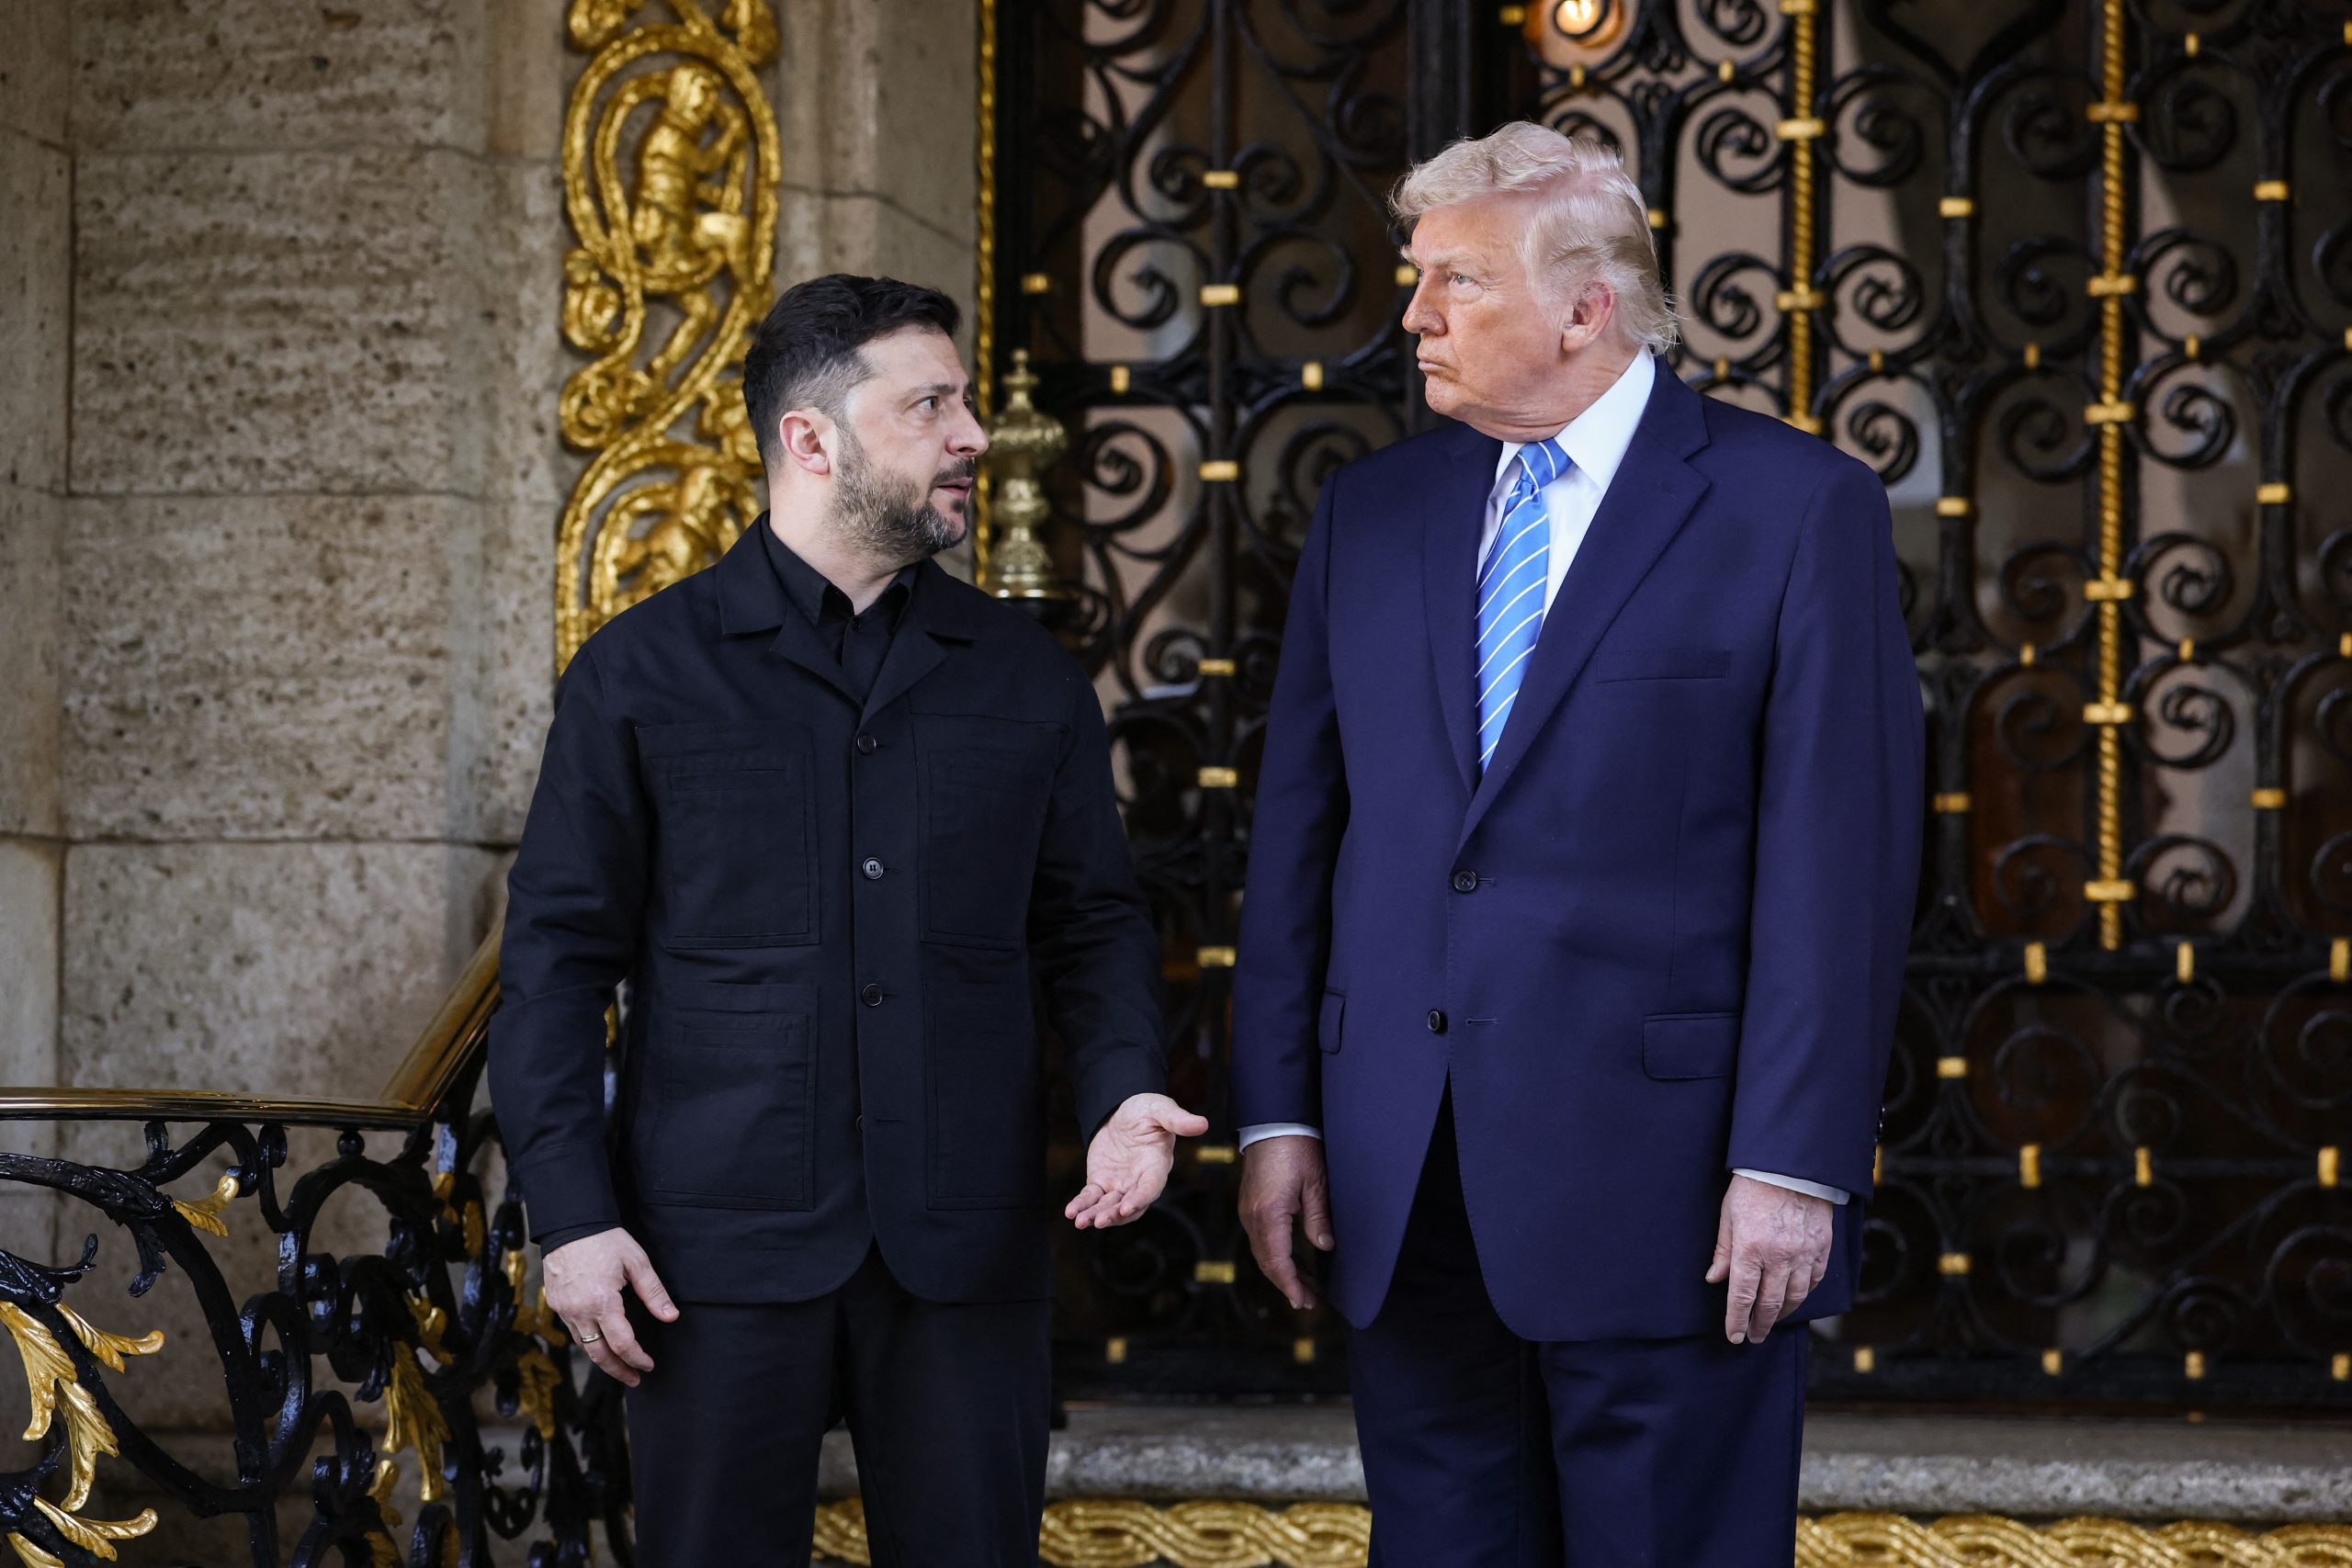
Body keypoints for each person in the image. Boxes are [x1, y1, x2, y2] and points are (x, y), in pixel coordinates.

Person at [1231, 124, 1924, 1565]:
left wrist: (1794, 1161)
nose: (1415, 316)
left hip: (1674, 1193)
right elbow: (1302, 832)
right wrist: (1278, 1116)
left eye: (1458, 281)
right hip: (1404, 1182)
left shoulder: (1797, 509)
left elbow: (1836, 867)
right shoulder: (1370, 512)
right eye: (1418, 278)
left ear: (1585, 307)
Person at [489, 273, 1206, 1568]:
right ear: (810, 439)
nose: (972, 435)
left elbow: (1093, 924)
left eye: (963, 402)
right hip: (707, 1252)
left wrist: (1122, 1094)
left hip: (967, 1242)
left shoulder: (1028, 677)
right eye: (930, 405)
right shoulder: (639, 673)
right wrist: (574, 1219)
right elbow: (554, 963)